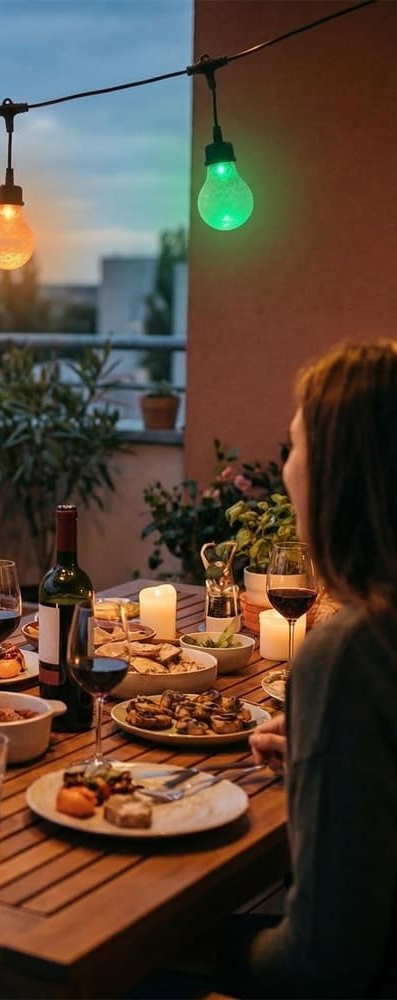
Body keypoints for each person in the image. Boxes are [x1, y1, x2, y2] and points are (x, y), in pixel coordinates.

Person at [226, 339, 397, 997]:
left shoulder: (355, 650)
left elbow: (322, 964)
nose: (288, 466)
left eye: (294, 447)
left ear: (336, 473)